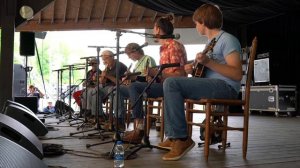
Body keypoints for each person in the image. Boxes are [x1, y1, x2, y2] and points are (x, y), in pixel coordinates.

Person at [160, 4, 243, 161]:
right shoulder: (211, 43)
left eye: (196, 23)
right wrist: (194, 69)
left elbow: (237, 74)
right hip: (214, 85)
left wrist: (208, 62)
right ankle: (173, 137)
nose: (196, 26)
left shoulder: (227, 39)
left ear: (203, 21)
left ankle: (182, 139)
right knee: (170, 84)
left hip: (226, 87)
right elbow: (207, 69)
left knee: (171, 83)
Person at [122, 15, 188, 143]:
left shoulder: (173, 46)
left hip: (173, 88)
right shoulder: (163, 48)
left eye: (153, 28)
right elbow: (165, 74)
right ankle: (138, 128)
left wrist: (157, 73)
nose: (153, 31)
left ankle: (139, 129)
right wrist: (153, 76)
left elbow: (180, 75)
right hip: (164, 85)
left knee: (134, 86)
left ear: (158, 29)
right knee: (131, 87)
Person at [113, 42, 156, 131]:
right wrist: (129, 78)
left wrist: (133, 77)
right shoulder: (136, 64)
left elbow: (152, 77)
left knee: (133, 87)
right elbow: (137, 78)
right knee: (117, 89)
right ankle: (120, 119)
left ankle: (139, 125)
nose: (129, 57)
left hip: (146, 87)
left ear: (135, 52)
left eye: (129, 54)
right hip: (136, 87)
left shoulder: (148, 59)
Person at [89, 50, 127, 124]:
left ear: (111, 57)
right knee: (95, 90)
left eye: (105, 59)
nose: (104, 61)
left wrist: (107, 76)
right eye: (103, 59)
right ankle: (99, 116)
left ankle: (118, 119)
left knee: (112, 90)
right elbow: (103, 82)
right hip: (108, 87)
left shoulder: (119, 66)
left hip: (118, 87)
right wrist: (100, 78)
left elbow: (120, 82)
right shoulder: (108, 67)